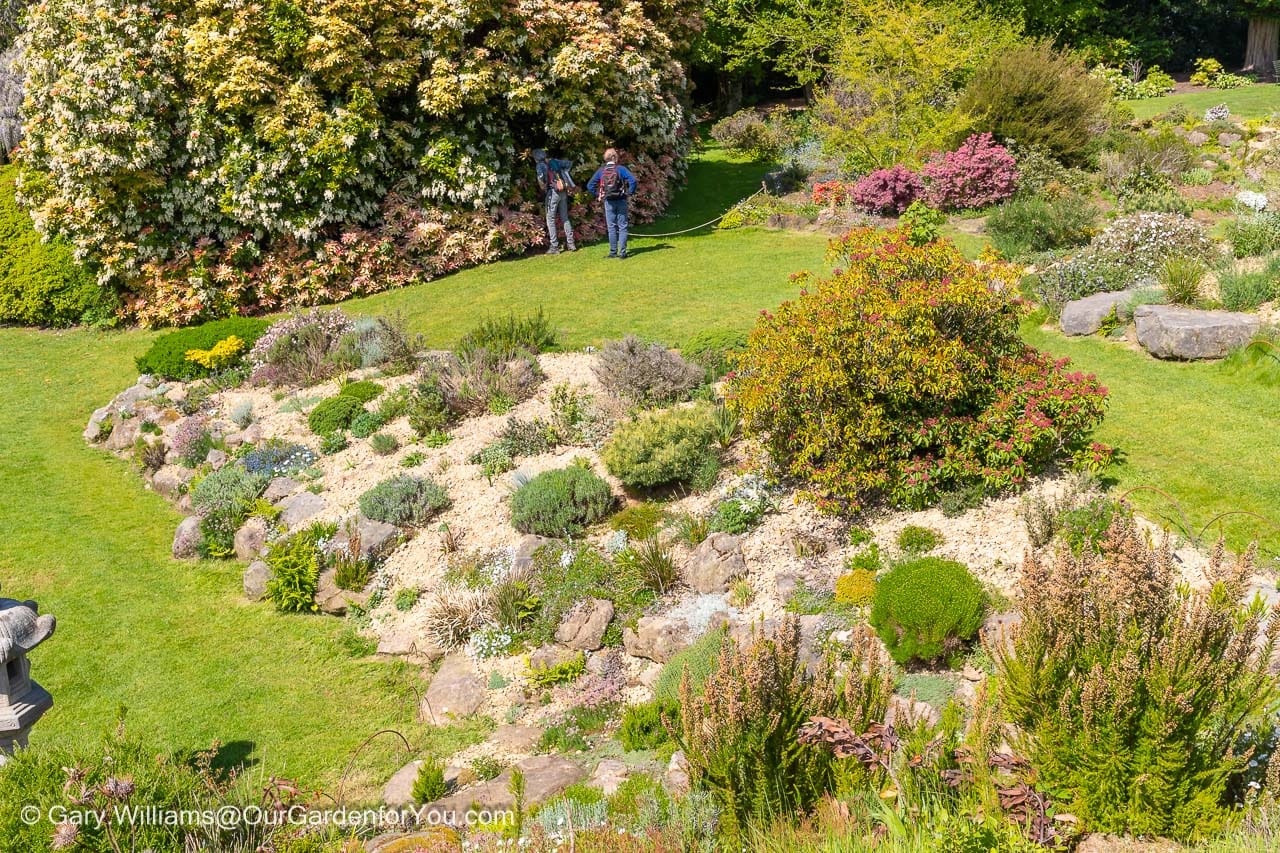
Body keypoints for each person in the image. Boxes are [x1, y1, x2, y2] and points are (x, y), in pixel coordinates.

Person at [585, 148, 637, 259]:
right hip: (621, 199)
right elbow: (633, 181)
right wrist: (629, 193)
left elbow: (590, 185)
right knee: (622, 226)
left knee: (611, 227)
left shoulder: (601, 171)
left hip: (608, 201)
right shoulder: (621, 169)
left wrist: (598, 195)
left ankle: (613, 252)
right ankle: (623, 253)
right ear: (614, 157)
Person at [533, 149, 576, 254]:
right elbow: (569, 163)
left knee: (550, 219)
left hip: (553, 193)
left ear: (536, 157)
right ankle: (571, 244)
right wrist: (564, 174)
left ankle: (554, 247)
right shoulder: (554, 161)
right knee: (565, 217)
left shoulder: (540, 165)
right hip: (563, 191)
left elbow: (541, 178)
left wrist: (544, 186)